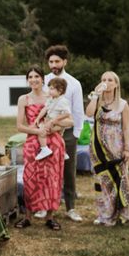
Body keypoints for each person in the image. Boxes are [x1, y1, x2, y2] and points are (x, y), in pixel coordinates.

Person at [15, 66, 72, 231]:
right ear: (28, 80)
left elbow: (70, 121)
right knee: (31, 178)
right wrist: (37, 131)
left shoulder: (54, 97)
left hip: (54, 143)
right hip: (33, 143)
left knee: (52, 179)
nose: (33, 80)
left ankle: (50, 216)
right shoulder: (23, 99)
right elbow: (19, 126)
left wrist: (52, 125)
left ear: (43, 79)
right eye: (30, 77)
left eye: (37, 76)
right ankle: (28, 216)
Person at [86, 71, 129, 226]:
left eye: (110, 80)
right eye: (103, 79)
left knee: (118, 180)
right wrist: (94, 95)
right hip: (97, 148)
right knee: (102, 181)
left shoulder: (123, 104)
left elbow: (126, 128)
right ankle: (104, 214)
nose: (106, 82)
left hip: (116, 148)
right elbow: (89, 113)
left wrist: (127, 148)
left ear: (116, 84)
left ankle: (118, 213)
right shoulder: (97, 101)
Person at [44, 45, 84, 223]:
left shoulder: (74, 84)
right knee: (46, 169)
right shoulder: (43, 80)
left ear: (64, 61)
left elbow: (78, 111)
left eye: (57, 61)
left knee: (68, 171)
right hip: (46, 133)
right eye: (51, 61)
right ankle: (44, 207)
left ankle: (70, 207)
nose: (53, 64)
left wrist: (75, 134)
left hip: (68, 133)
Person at [34, 77, 71, 160]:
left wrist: (55, 120)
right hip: (51, 120)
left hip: (55, 122)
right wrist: (38, 118)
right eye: (49, 88)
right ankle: (63, 152)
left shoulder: (63, 101)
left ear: (60, 90)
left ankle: (44, 149)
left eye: (51, 89)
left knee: (41, 132)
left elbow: (67, 113)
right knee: (60, 137)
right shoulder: (51, 99)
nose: (49, 91)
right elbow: (45, 109)